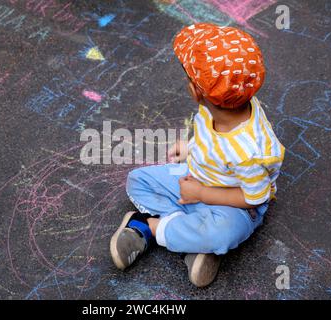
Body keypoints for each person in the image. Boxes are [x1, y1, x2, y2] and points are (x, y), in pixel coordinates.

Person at [110, 23, 285, 287]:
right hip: (199, 176)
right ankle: (193, 240)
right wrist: (191, 147)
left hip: (234, 205)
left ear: (195, 92)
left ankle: (148, 228)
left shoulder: (250, 152)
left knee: (224, 233)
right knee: (138, 180)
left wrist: (201, 195)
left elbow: (254, 198)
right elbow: (211, 138)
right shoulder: (229, 101)